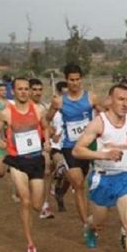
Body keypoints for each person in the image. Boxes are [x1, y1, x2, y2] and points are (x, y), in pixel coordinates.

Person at [73, 84, 127, 252]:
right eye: (120, 99)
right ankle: (90, 227)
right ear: (110, 101)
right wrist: (103, 154)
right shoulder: (99, 123)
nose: (124, 103)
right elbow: (78, 151)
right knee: (99, 221)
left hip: (125, 178)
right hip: (103, 179)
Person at [46, 63, 102, 245]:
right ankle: (87, 226)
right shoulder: (59, 101)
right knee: (78, 185)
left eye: (78, 79)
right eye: (71, 80)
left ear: (81, 79)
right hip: (70, 148)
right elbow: (46, 119)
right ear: (66, 80)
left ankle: (92, 214)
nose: (75, 83)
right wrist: (50, 131)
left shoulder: (91, 98)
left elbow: (105, 115)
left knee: (92, 183)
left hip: (89, 146)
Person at [0, 78, 48, 252]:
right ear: (14, 91)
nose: (24, 92)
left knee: (36, 205)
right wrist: (1, 142)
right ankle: (30, 244)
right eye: (20, 89)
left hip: (36, 160)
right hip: (17, 160)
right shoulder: (6, 113)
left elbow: (45, 126)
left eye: (26, 89)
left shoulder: (38, 109)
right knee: (26, 201)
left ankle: (31, 200)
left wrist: (48, 140)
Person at [28, 78, 55, 219]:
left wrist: (49, 138)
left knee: (47, 169)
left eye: (40, 89)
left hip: (40, 144)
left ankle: (45, 205)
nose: (38, 92)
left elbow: (46, 127)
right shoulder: (22, 107)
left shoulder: (43, 107)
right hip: (23, 148)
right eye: (35, 89)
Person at [49, 81, 69, 212]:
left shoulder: (75, 109)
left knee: (70, 176)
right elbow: (44, 123)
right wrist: (52, 134)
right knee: (62, 166)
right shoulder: (54, 109)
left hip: (69, 146)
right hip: (56, 145)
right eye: (64, 92)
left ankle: (60, 191)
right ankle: (52, 183)